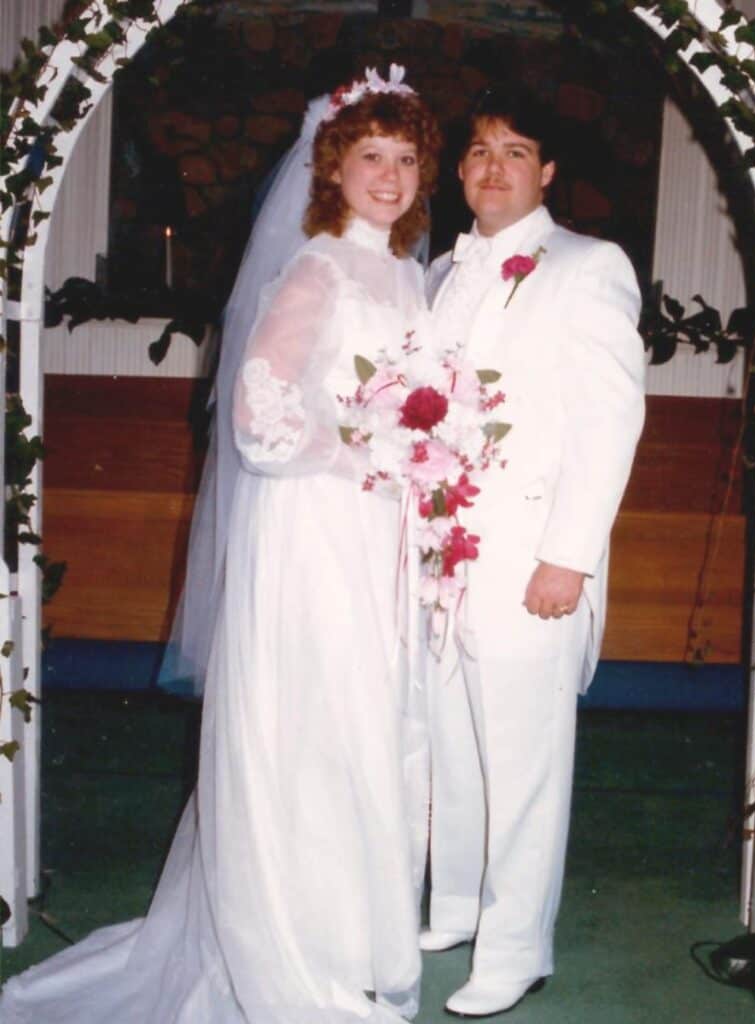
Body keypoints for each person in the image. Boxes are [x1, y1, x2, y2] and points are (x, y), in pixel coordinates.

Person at [0, 67, 441, 1024]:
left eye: (405, 158)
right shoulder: (317, 269)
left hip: (375, 525)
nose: (389, 175)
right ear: (333, 167)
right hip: (315, 524)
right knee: (311, 720)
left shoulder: (408, 272)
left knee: (365, 719)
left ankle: (349, 935)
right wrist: (366, 453)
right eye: (371, 155)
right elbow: (259, 418)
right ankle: (288, 947)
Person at [421, 84, 646, 1018]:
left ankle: (515, 950)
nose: (493, 168)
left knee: (521, 762)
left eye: (515, 152)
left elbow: (608, 421)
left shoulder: (588, 265)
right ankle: (455, 905)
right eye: (479, 151)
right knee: (450, 747)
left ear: (546, 172)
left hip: (527, 559)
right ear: (458, 170)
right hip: (440, 558)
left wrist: (569, 556)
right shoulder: (444, 269)